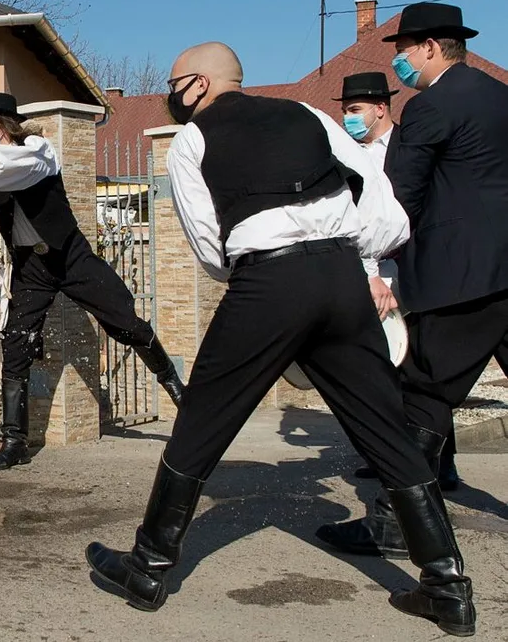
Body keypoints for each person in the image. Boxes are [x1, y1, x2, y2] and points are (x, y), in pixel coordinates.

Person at [86, 42, 475, 637]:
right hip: (343, 277)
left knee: (204, 418)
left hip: (269, 282)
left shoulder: (193, 140)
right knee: (384, 425)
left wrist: (268, 262)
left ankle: (148, 567)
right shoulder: (309, 115)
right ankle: (448, 589)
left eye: (173, 83)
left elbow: (211, 252)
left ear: (195, 84)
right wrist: (352, 262)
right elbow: (382, 208)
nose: (170, 94)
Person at [317, 3, 508, 572]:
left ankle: (392, 526)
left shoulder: (431, 108)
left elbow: (403, 198)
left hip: (464, 278)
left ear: (429, 47)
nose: (398, 59)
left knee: (423, 395)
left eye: (403, 49)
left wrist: (372, 259)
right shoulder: (499, 95)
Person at [0, 92, 186, 472]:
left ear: (5, 125)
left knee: (125, 324)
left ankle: (175, 387)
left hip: (70, 256)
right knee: (16, 344)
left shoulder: (36, 149)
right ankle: (14, 442)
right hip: (30, 268)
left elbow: (16, 165)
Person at [336, 71, 463, 490]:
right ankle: (390, 455)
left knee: (425, 369)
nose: (348, 118)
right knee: (382, 368)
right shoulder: (347, 155)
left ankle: (441, 462)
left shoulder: (413, 144)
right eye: (344, 111)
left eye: (354, 111)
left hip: (417, 268)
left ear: (380, 108)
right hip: (370, 270)